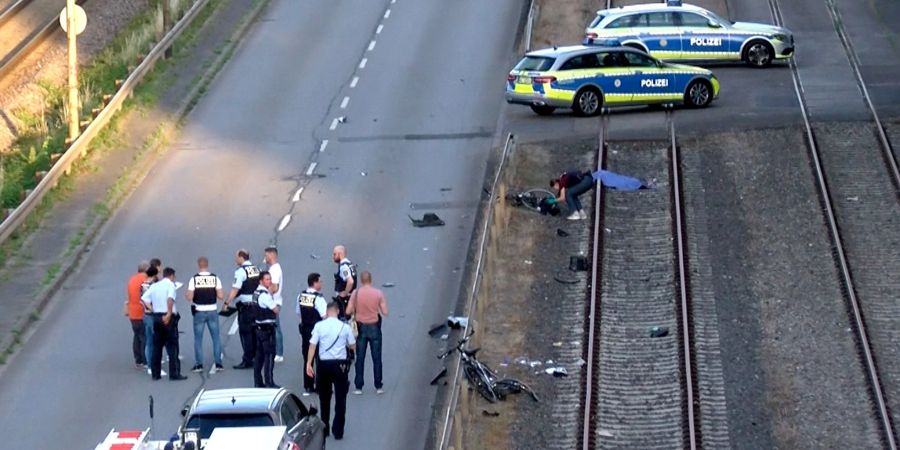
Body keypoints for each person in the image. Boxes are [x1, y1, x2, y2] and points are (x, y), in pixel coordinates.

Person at [306, 302, 355, 440]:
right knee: (341, 398)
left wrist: (309, 364)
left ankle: (325, 427)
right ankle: (338, 430)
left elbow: (312, 345)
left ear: (327, 312)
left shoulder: (319, 326)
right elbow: (352, 345)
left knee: (324, 398)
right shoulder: (344, 327)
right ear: (338, 311)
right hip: (340, 365)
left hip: (324, 365)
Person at [346, 271, 389, 395]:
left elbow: (348, 310)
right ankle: (378, 385)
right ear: (371, 280)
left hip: (361, 328)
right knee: (377, 357)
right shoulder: (378, 293)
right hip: (375, 327)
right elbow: (385, 312)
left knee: (360, 357)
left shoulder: (356, 293)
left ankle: (359, 386)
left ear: (361, 280)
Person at [141, 267, 187, 381]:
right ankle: (174, 373)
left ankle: (155, 374)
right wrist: (169, 314)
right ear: (171, 276)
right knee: (172, 347)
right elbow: (170, 299)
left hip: (157, 317)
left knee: (157, 346)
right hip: (168, 317)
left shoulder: (154, 286)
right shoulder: (170, 285)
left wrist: (153, 309)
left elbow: (144, 299)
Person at [185, 256, 225, 374]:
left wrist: (187, 294)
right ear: (207, 265)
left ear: (198, 265)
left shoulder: (194, 279)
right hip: (212, 310)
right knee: (216, 338)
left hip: (199, 311)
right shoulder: (215, 278)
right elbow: (221, 296)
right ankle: (218, 363)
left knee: (198, 339)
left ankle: (199, 364)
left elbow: (190, 297)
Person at [224, 249, 260, 370]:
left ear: (241, 257)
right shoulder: (256, 269)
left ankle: (247, 359)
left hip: (246, 307)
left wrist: (227, 303)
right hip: (257, 304)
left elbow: (235, 289)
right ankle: (256, 357)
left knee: (246, 333)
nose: (235, 260)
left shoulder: (240, 272)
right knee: (255, 332)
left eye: (236, 257)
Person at [297, 272, 327, 396]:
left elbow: (298, 312)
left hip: (305, 329)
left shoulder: (301, 296)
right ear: (314, 283)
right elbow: (324, 316)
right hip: (317, 330)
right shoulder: (318, 298)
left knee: (307, 357)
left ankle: (308, 385)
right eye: (320, 281)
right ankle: (320, 386)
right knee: (320, 358)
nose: (321, 284)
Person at [250, 271, 280, 387]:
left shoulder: (256, 293)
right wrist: (275, 304)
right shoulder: (265, 295)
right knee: (269, 356)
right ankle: (269, 382)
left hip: (258, 328)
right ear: (261, 281)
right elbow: (275, 309)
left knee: (259, 356)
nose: (270, 281)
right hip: (267, 329)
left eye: (270, 279)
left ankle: (258, 382)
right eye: (267, 279)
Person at [124, 261, 150, 370]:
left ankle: (138, 359)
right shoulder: (145, 281)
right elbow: (146, 297)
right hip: (141, 312)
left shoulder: (132, 279)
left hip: (132, 313)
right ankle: (145, 360)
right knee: (145, 337)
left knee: (137, 336)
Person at [263, 246, 285, 363]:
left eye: (266, 255)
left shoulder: (275, 270)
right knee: (273, 327)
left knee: (275, 328)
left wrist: (265, 295)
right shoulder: (274, 268)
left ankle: (279, 353)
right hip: (274, 301)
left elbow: (274, 287)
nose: (265, 258)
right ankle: (276, 351)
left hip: (273, 302)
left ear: (272, 255)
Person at [141, 265, 162, 377]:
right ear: (154, 275)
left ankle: (149, 365)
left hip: (145, 315)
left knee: (148, 342)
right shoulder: (153, 286)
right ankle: (154, 364)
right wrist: (152, 308)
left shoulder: (143, 284)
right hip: (153, 315)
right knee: (155, 341)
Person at [332, 245, 356, 320]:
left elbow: (350, 281)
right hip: (351, 298)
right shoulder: (350, 264)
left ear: (340, 254)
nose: (333, 256)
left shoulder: (344, 267)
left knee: (344, 320)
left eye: (335, 254)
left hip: (344, 301)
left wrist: (345, 293)